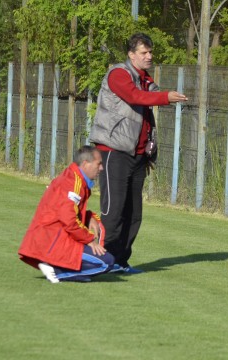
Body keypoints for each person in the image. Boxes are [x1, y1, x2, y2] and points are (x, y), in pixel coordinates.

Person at [89, 33, 188, 273]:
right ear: (131, 55)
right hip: (114, 152)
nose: (149, 56)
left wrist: (148, 154)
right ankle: (104, 262)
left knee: (134, 215)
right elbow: (136, 97)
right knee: (114, 212)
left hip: (137, 155)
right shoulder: (119, 74)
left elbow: (146, 112)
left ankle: (121, 262)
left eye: (150, 52)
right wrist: (166, 97)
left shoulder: (144, 78)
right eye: (144, 52)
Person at [18, 146, 114, 283]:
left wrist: (89, 217)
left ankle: (58, 269)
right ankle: (57, 271)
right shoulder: (72, 183)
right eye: (98, 164)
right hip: (52, 241)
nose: (101, 169)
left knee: (100, 263)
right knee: (106, 263)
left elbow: (67, 211)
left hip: (51, 238)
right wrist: (89, 239)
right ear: (86, 163)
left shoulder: (74, 178)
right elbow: (69, 220)